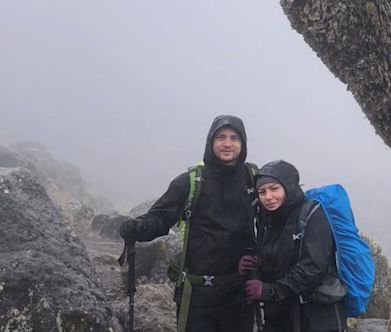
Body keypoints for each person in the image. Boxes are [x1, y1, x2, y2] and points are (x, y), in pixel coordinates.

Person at [119, 115, 257, 332]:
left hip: (240, 294)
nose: (227, 143)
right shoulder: (191, 181)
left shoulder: (254, 179)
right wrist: (138, 228)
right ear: (210, 141)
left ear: (243, 143)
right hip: (198, 293)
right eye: (220, 137)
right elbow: (161, 217)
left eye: (234, 138)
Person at [238, 160, 347, 332]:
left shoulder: (311, 214)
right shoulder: (266, 218)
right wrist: (257, 263)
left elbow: (313, 267)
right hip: (281, 315)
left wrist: (272, 291)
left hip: (315, 317)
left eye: (274, 189)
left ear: (288, 187)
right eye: (262, 191)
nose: (268, 197)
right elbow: (278, 258)